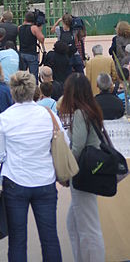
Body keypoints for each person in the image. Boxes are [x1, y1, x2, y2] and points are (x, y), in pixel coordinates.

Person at [0, 71, 64, 262]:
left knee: (17, 240)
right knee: (49, 238)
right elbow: (65, 142)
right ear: (34, 91)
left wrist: (12, 155)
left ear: (12, 92)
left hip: (16, 181)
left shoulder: (5, 118)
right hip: (45, 181)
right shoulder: (48, 115)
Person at [59, 73, 105, 262]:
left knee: (87, 228)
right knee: (75, 224)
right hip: (89, 173)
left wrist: (66, 172)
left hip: (82, 175)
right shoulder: (91, 110)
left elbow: (77, 146)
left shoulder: (80, 114)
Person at [18, 11, 45, 80]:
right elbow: (41, 39)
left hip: (22, 53)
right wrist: (39, 29)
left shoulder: (20, 28)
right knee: (33, 77)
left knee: (22, 76)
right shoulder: (34, 28)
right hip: (31, 54)